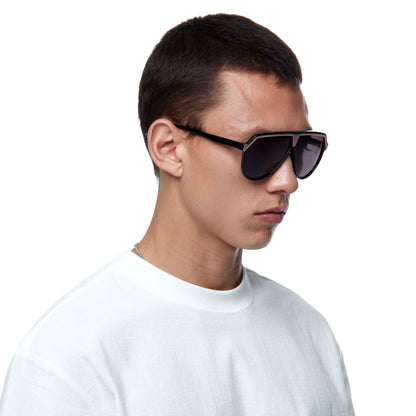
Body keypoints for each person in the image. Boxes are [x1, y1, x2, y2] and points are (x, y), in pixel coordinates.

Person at [0, 13, 354, 415]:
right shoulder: (70, 357)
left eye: (301, 148)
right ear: (168, 148)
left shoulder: (310, 333)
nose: (288, 181)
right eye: (262, 150)